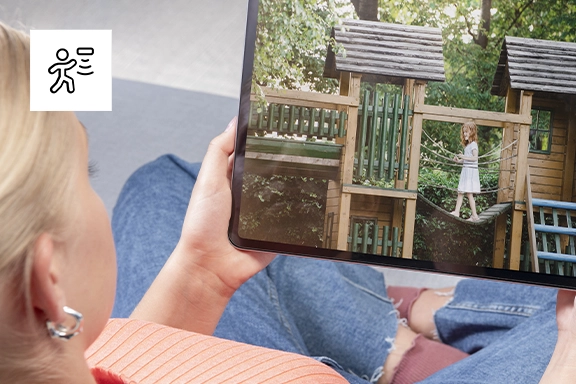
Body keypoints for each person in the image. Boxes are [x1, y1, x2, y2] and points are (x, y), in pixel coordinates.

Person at [1, 21, 576, 384]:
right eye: (86, 171)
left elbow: (136, 361)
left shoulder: (86, 354)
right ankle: (403, 339)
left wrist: (201, 273)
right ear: (50, 282)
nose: (94, 187)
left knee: (167, 181)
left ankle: (409, 323)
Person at [451, 121, 481, 221]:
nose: (465, 134)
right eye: (464, 132)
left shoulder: (473, 145)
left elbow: (474, 158)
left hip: (470, 172)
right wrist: (458, 160)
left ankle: (472, 215)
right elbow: (466, 159)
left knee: (466, 193)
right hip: (466, 171)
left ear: (472, 132)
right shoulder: (468, 145)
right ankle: (461, 212)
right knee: (463, 192)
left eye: (466, 132)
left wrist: (464, 156)